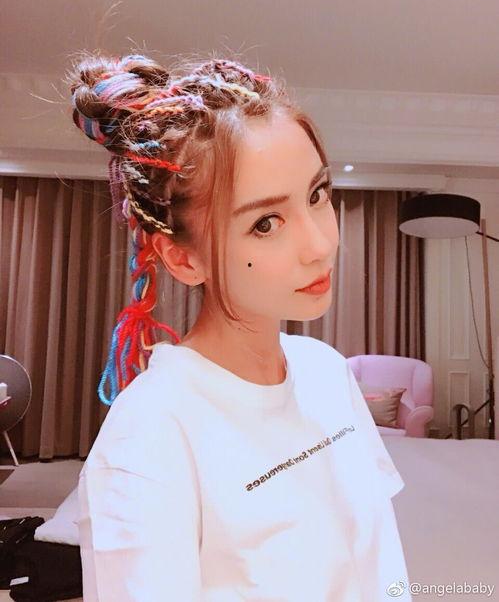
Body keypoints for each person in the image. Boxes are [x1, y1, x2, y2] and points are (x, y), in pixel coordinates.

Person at [69, 52, 412, 601]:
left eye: (317, 195)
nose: (320, 244)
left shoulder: (326, 371)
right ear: (183, 259)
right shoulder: (149, 436)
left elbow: (380, 560)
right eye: (266, 223)